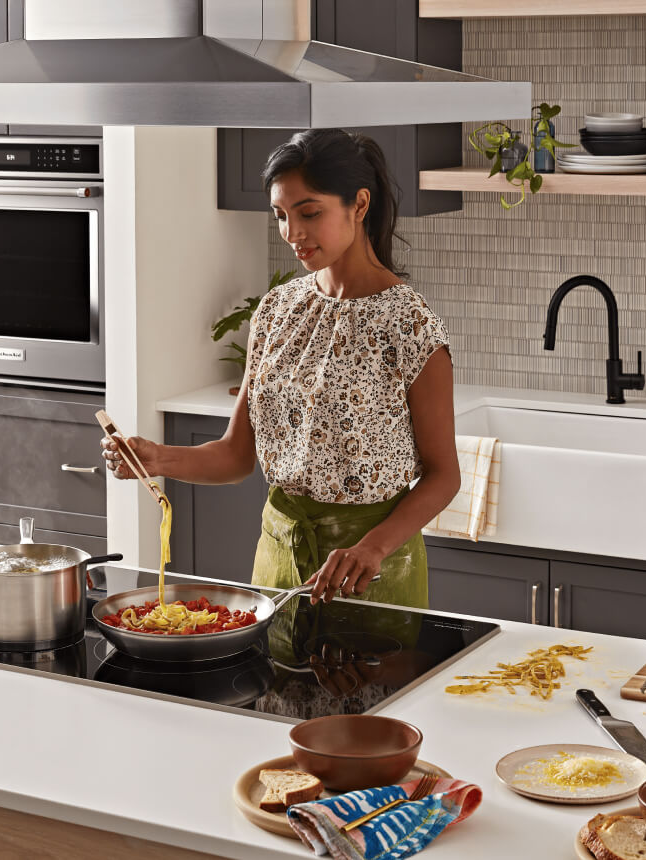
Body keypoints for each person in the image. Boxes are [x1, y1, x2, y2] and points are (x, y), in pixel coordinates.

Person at [102, 128, 458, 609]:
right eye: (281, 216)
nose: (293, 233)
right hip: (277, 560)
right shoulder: (277, 311)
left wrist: (371, 548)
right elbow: (235, 456)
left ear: (359, 204)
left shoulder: (410, 325)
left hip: (373, 573)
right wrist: (154, 458)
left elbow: (444, 476)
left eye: (309, 213)